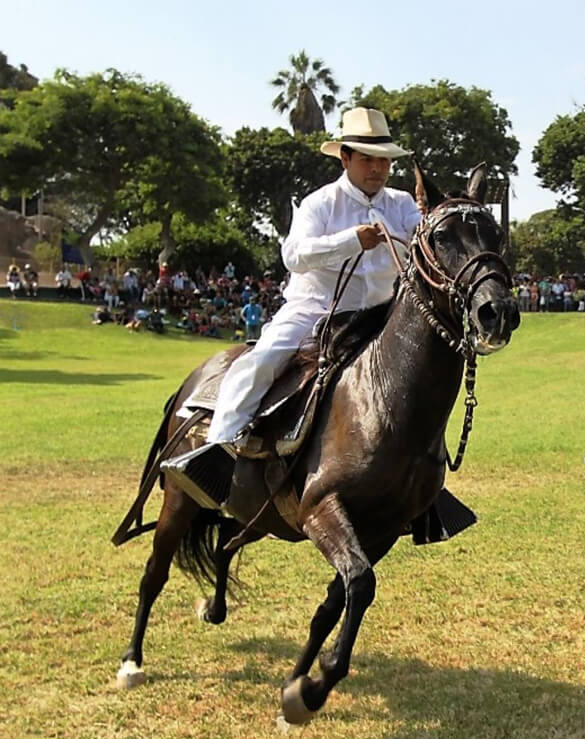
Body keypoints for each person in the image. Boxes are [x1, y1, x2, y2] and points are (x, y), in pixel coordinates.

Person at [163, 107, 422, 509]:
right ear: (345, 158)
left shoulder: (403, 204)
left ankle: (427, 486)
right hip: (315, 311)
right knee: (263, 360)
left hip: (383, 314)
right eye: (369, 159)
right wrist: (351, 240)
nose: (378, 168)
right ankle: (214, 456)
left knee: (424, 373)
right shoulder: (320, 203)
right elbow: (294, 256)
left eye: (385, 159)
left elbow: (425, 244)